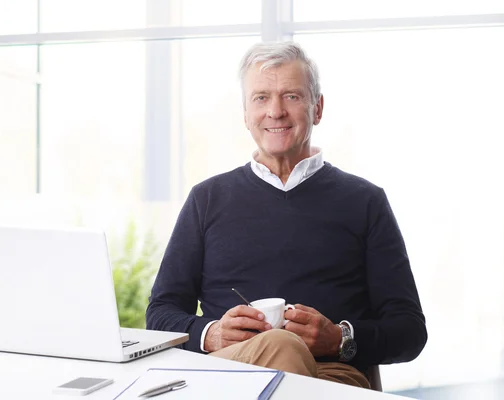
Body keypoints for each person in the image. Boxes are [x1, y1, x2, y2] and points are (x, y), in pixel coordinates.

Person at [146, 41, 427, 389]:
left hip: (330, 377)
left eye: (291, 96)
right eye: (261, 97)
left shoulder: (365, 201)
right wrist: (211, 333)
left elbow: (409, 331)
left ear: (318, 108)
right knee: (278, 345)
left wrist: (339, 339)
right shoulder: (206, 199)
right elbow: (160, 314)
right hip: (227, 373)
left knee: (283, 348)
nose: (275, 111)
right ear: (245, 113)